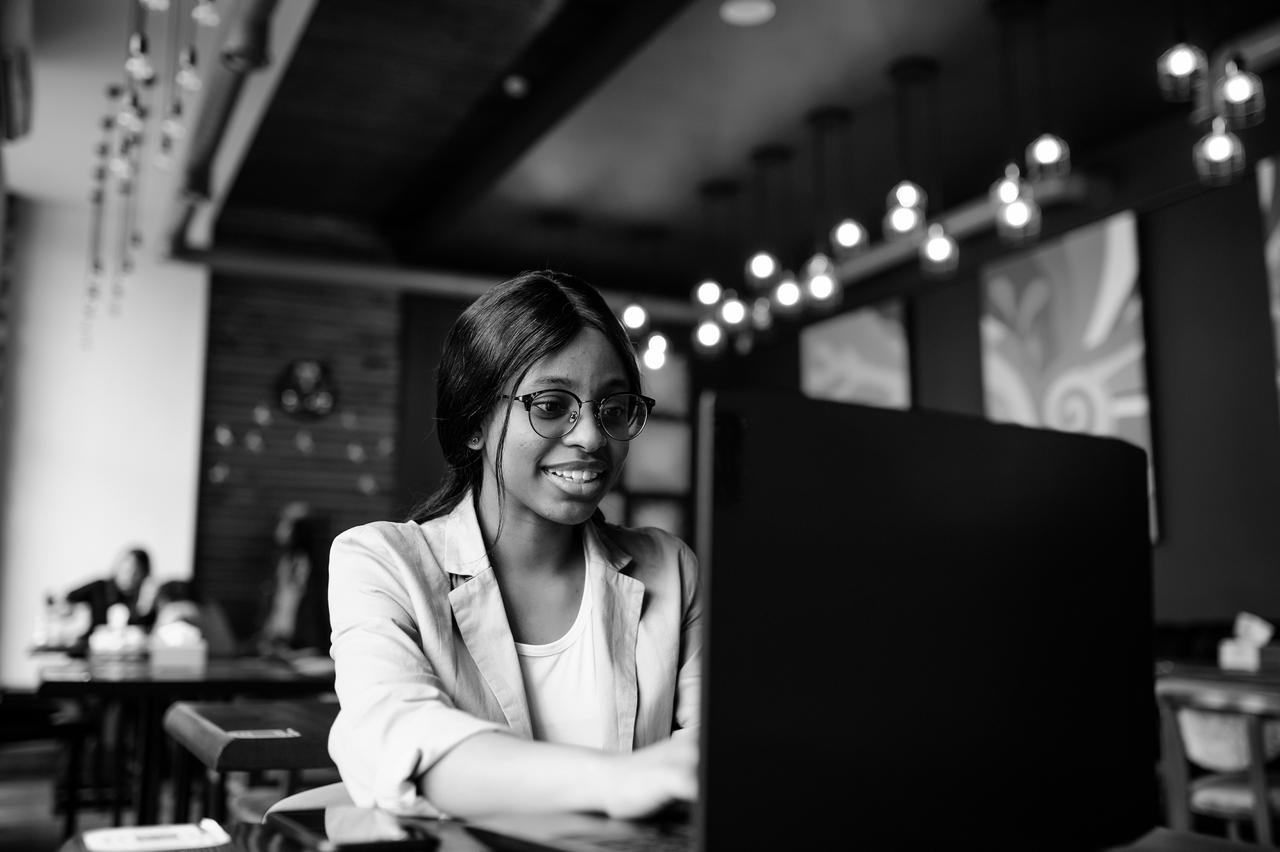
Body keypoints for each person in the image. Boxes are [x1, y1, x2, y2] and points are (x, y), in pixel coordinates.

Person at [327, 270, 700, 819]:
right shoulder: (381, 563)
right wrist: (619, 782)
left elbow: (719, 747)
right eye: (551, 405)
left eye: (613, 409)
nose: (592, 437)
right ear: (475, 419)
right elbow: (396, 738)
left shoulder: (669, 566)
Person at [255, 502, 332, 657]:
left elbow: (301, 608)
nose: (280, 529)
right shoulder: (283, 561)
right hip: (279, 644)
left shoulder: (313, 566)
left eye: (287, 524)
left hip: (302, 648)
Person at [63, 547, 155, 648]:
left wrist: (145, 604)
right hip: (94, 648)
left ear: (144, 575)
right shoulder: (99, 587)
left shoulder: (147, 598)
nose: (129, 576)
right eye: (127, 570)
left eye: (136, 572)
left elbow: (149, 633)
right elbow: (66, 599)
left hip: (130, 653)